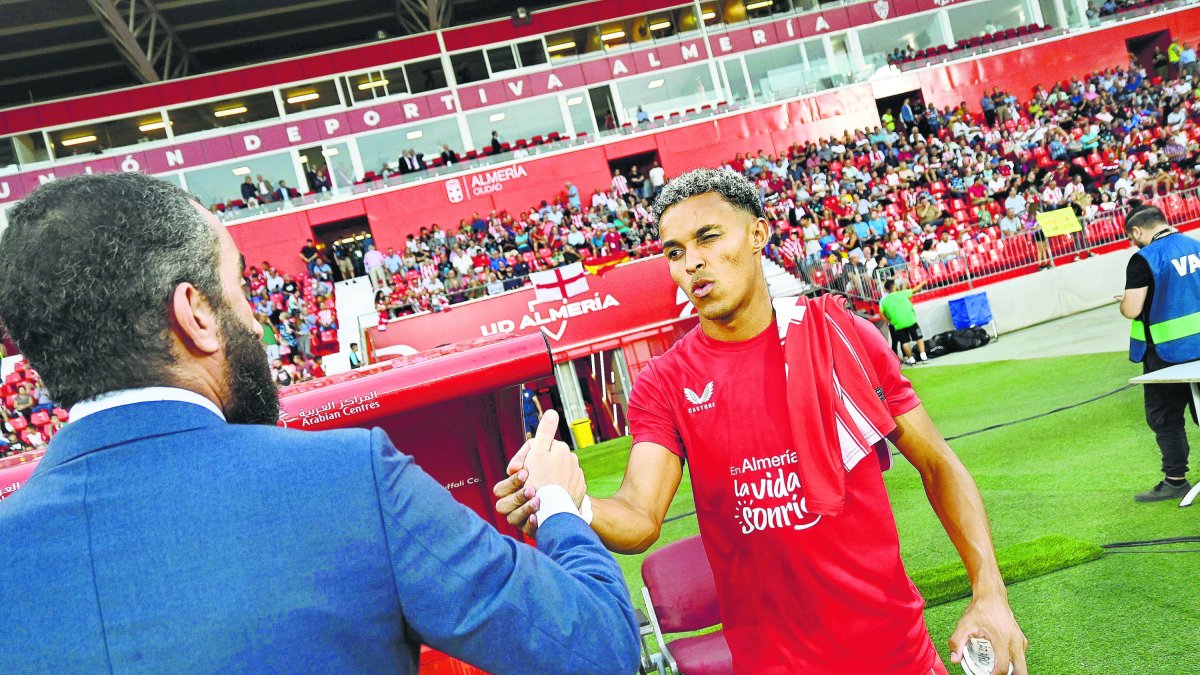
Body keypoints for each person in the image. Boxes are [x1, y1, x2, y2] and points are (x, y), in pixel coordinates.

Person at [0, 173, 640, 673]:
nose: (256, 323)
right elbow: (595, 647)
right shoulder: (347, 478)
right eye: (240, 289)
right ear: (195, 315)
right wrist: (559, 503)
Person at [496, 169, 1027, 674]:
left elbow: (937, 464)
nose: (692, 263)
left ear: (757, 235)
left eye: (708, 238)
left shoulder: (840, 336)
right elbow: (639, 516)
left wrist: (990, 593)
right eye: (675, 252)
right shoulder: (664, 381)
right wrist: (567, 501)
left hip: (896, 655)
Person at [1119, 204, 1200, 502]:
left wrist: (1122, 302)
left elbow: (1132, 309)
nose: (1133, 243)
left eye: (1132, 238)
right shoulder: (1195, 245)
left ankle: (1176, 480)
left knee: (1165, 417)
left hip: (1166, 355)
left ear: (1137, 231)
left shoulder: (1144, 258)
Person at [881, 278, 930, 365]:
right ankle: (923, 357)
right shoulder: (902, 293)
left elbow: (881, 313)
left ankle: (911, 359)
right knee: (919, 338)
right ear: (894, 286)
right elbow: (915, 289)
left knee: (904, 342)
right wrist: (923, 283)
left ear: (887, 289)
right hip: (911, 321)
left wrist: (888, 320)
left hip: (898, 324)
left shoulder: (884, 301)